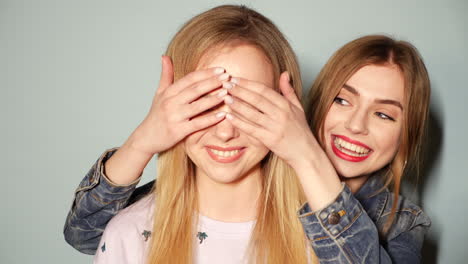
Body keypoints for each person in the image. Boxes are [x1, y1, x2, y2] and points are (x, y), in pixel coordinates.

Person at [64, 6, 431, 264]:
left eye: (384, 114)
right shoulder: (140, 224)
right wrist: (144, 139)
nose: (355, 126)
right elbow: (86, 232)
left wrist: (306, 156)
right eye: (342, 100)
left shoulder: (337, 227)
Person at [85, 5, 316, 264]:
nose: (226, 131)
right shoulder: (127, 235)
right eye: (204, 102)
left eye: (249, 105)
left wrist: (306, 153)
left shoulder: (326, 240)